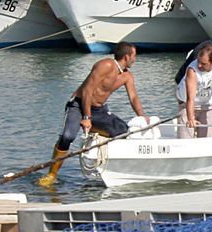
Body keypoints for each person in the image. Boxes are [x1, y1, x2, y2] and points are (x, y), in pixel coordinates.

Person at [38, 42, 145, 186]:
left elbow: (133, 97)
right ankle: (51, 174)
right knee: (67, 136)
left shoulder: (127, 76)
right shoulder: (106, 65)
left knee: (123, 131)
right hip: (78, 105)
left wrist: (142, 117)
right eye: (134, 56)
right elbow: (87, 90)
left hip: (99, 110)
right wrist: (87, 117)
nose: (135, 59)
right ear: (127, 57)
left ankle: (94, 133)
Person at [172, 21, 212, 129]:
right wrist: (190, 116)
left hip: (211, 85)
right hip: (188, 84)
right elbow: (192, 75)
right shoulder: (203, 51)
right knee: (191, 108)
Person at [177, 42, 212, 137]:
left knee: (206, 139)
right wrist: (190, 118)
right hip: (187, 103)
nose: (199, 66)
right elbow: (190, 98)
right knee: (185, 138)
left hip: (207, 104)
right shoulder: (192, 70)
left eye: (204, 64)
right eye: (198, 62)